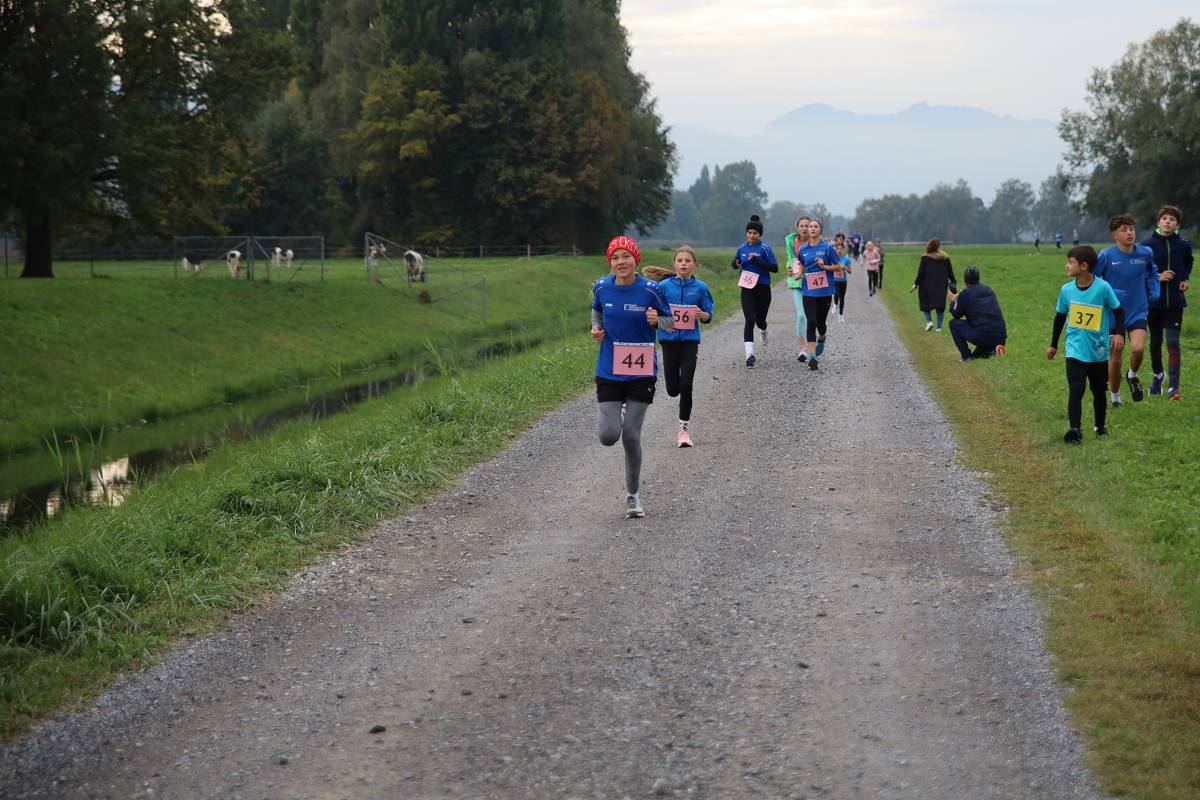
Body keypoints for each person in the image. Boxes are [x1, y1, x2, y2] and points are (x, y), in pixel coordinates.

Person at [591, 235, 675, 518]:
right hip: (609, 370)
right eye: (615, 257)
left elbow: (670, 321)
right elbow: (597, 311)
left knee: (630, 435)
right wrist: (596, 329)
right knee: (608, 436)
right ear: (610, 262)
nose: (621, 262)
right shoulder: (601, 287)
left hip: (641, 371)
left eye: (626, 256)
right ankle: (616, 414)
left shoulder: (651, 290)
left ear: (635, 259)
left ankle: (633, 495)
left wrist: (657, 321)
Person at [1047, 245, 1125, 443]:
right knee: (1076, 388)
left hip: (1098, 350)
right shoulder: (1066, 290)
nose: (1066, 266)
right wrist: (1053, 344)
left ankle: (1100, 427)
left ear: (1083, 266)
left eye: (1070, 262)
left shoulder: (1103, 288)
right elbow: (1059, 317)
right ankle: (1075, 430)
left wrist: (1119, 334)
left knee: (1098, 391)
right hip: (1074, 349)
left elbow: (1118, 311)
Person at [1094, 213, 1159, 405]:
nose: (1130, 233)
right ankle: (1115, 397)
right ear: (1114, 235)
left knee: (1138, 348)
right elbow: (1093, 281)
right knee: (1115, 359)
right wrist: (1110, 294)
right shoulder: (1106, 256)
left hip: (1138, 310)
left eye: (1131, 229)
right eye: (1124, 230)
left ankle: (1132, 375)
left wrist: (1154, 290)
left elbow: (1152, 272)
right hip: (1113, 314)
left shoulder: (1146, 253)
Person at [656, 245, 714, 446]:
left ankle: (683, 430)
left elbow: (709, 315)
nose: (683, 264)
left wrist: (702, 315)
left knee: (686, 385)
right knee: (673, 389)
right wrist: (665, 322)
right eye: (680, 260)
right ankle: (677, 391)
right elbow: (652, 313)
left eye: (688, 261)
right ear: (674, 264)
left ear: (694, 264)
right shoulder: (663, 287)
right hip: (669, 342)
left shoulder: (701, 288)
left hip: (690, 342)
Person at [1141, 204, 1193, 399]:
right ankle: (1157, 376)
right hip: (1154, 302)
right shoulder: (1147, 246)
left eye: (1172, 219)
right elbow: (1142, 271)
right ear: (1158, 222)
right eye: (1165, 219)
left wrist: (1185, 279)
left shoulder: (1184, 245)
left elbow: (1188, 262)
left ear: (1177, 225)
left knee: (1173, 343)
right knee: (1155, 342)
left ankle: (1174, 387)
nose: (1168, 222)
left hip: (1175, 303)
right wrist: (1158, 277)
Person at [732, 214, 778, 366]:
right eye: (749, 232)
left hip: (763, 289)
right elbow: (735, 262)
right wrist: (735, 264)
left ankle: (764, 329)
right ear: (746, 233)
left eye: (755, 233)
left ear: (760, 234)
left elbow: (774, 268)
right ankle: (749, 354)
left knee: (760, 321)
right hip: (747, 289)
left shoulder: (765, 248)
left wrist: (757, 260)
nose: (752, 236)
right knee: (750, 319)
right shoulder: (741, 248)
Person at [797, 218, 840, 369]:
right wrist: (799, 273)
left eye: (815, 226)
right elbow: (802, 263)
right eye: (810, 226)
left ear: (820, 229)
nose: (812, 229)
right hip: (809, 291)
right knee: (811, 321)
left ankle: (822, 337)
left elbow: (838, 266)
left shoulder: (827, 247)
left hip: (825, 291)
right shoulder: (803, 249)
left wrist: (825, 267)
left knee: (820, 323)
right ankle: (813, 357)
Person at [947, 266, 1007, 361]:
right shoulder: (988, 290)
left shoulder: (965, 293)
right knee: (977, 356)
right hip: (1001, 336)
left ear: (965, 281)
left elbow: (956, 315)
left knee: (953, 324)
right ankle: (993, 350)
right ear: (979, 279)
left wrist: (952, 302)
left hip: (982, 335)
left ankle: (966, 356)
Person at [910, 238, 956, 332]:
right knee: (940, 307)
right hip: (941, 285)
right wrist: (953, 286)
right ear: (938, 246)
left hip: (926, 286)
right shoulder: (945, 257)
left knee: (924, 304)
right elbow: (950, 274)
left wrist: (916, 283)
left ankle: (929, 322)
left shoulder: (925, 257)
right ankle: (939, 328)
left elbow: (921, 273)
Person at [784, 216, 810, 362]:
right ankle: (801, 349)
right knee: (801, 315)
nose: (805, 228)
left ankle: (816, 342)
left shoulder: (815, 243)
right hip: (796, 282)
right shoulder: (791, 242)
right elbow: (791, 259)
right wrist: (788, 268)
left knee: (813, 318)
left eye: (807, 225)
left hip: (812, 283)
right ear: (797, 228)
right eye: (802, 226)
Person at [832, 241, 853, 321]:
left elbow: (850, 271)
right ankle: (835, 304)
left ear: (843, 249)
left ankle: (841, 315)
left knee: (842, 298)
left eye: (841, 249)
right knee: (836, 293)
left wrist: (845, 268)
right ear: (835, 250)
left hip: (843, 281)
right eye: (838, 249)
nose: (839, 251)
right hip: (835, 280)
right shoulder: (833, 258)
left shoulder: (846, 259)